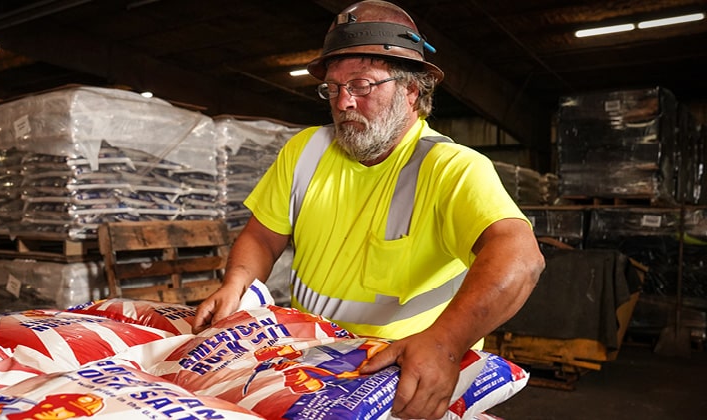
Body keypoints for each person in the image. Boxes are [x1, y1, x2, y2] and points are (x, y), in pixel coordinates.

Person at [193, 1, 545, 418]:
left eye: (361, 85)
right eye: (333, 88)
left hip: (400, 371)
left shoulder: (450, 168)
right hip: (311, 361)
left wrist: (444, 345)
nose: (343, 102)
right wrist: (237, 282)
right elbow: (262, 236)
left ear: (412, 90)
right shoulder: (305, 151)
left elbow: (520, 258)